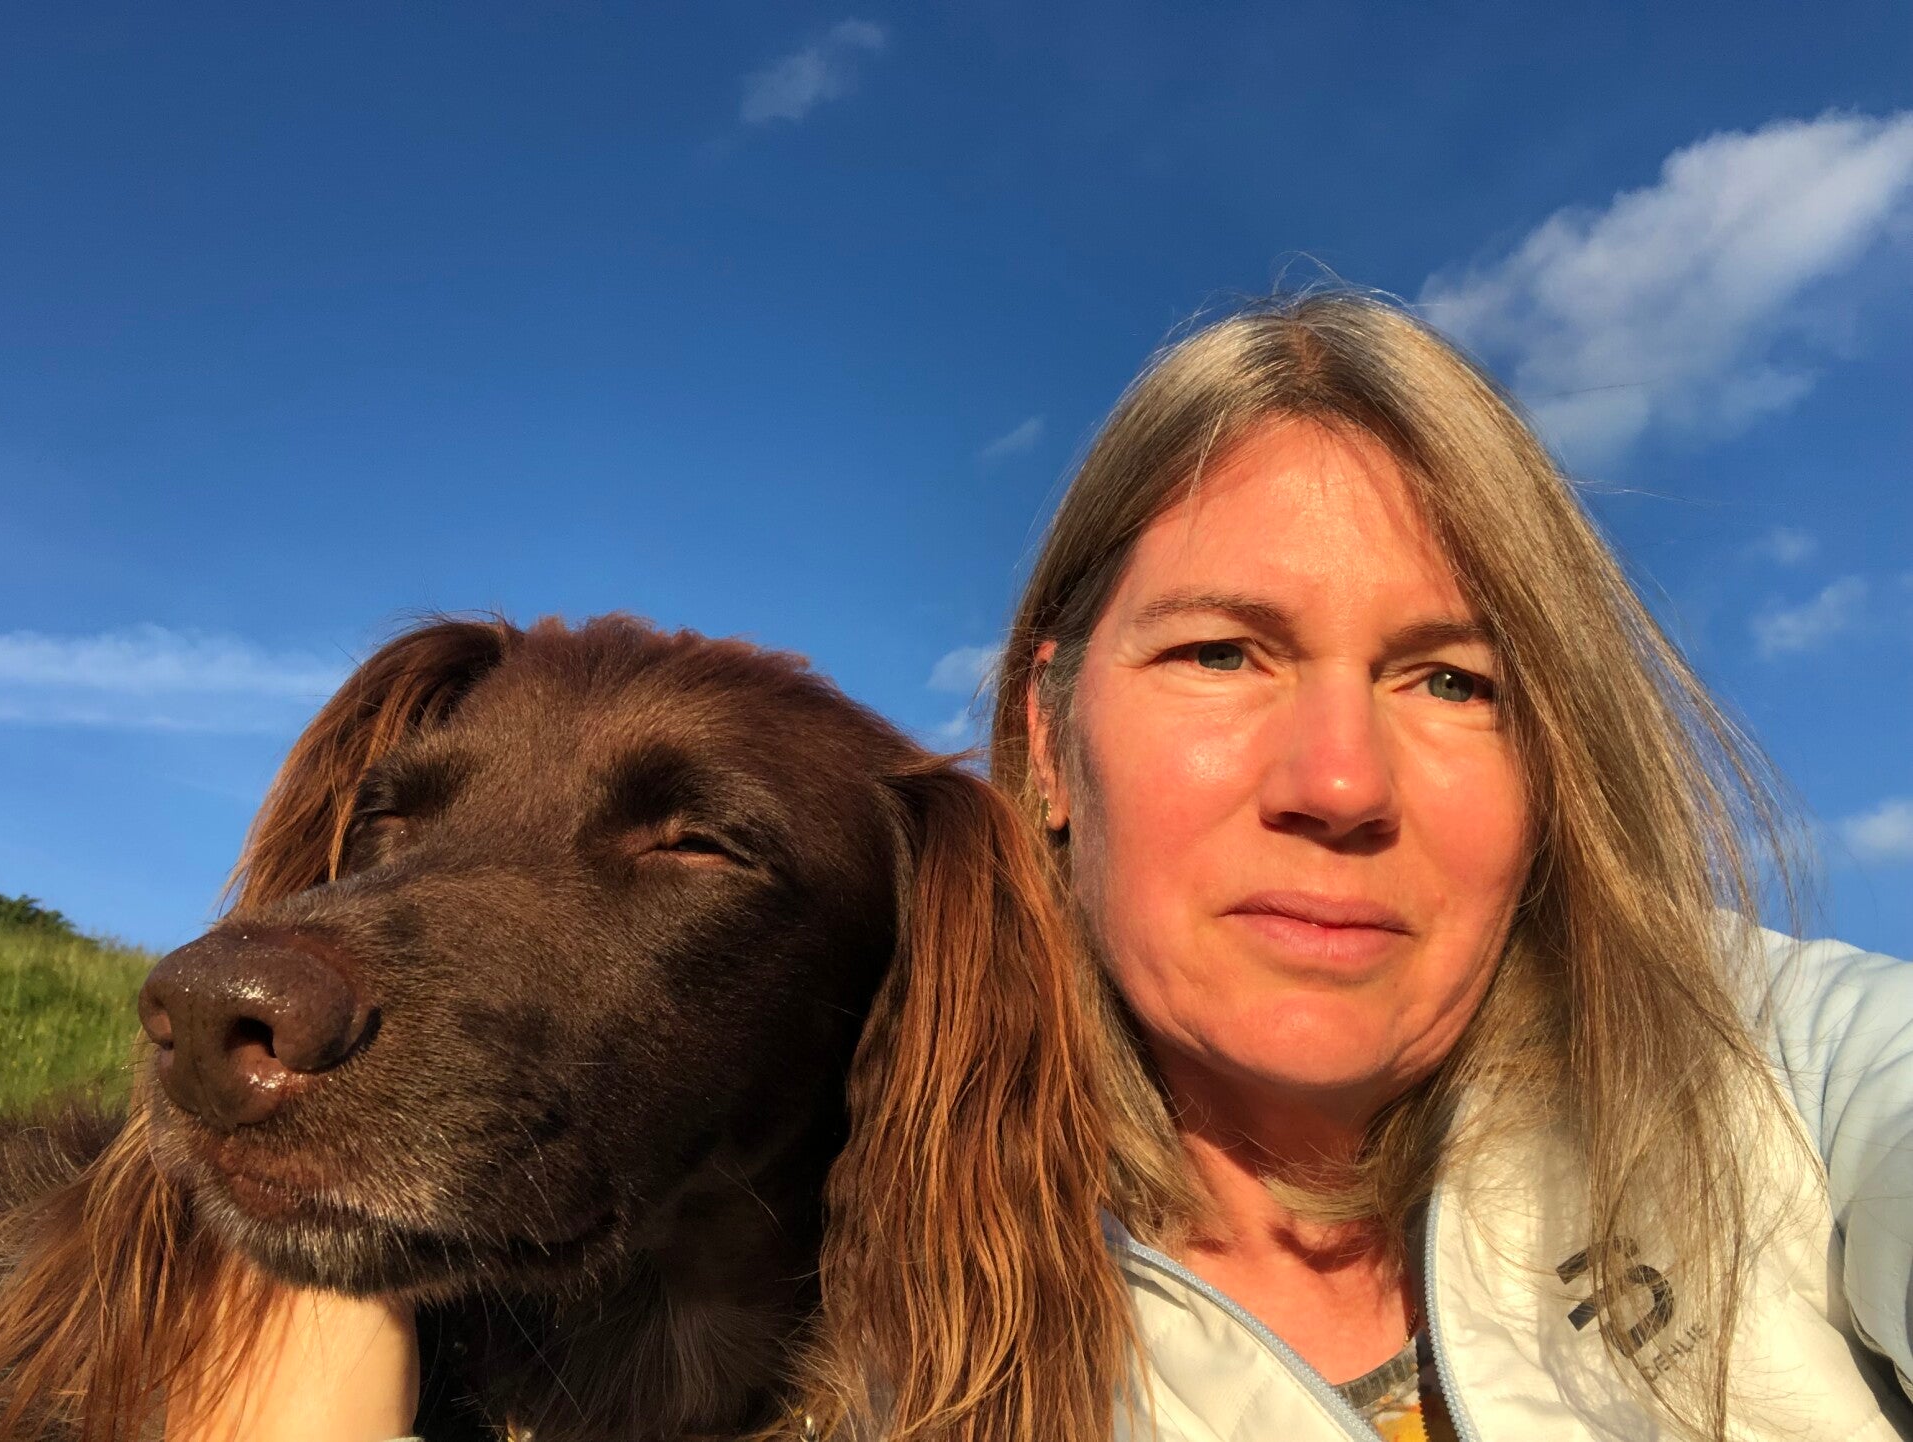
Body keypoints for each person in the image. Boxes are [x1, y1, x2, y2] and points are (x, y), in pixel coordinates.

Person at [178, 293, 1913, 1442]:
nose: (1337, 781)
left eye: (1454, 680)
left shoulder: (1774, 1063)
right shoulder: (893, 1206)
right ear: (1052, 736)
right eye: (1222, 651)